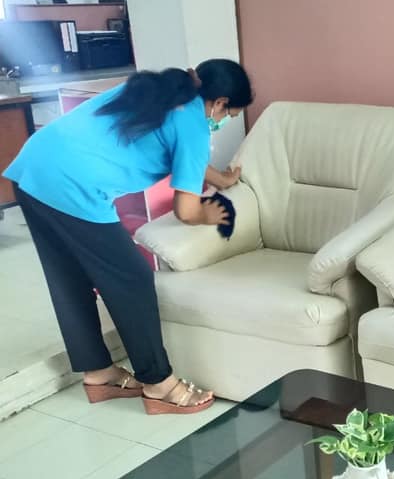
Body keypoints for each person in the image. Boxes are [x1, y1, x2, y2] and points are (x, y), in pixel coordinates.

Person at [2, 59, 253, 414]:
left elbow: (184, 154)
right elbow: (186, 210)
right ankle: (160, 384)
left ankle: (99, 373)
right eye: (230, 114)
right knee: (133, 278)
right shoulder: (195, 125)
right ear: (220, 102)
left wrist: (221, 179)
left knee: (69, 277)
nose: (223, 121)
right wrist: (208, 214)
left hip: (34, 166)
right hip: (73, 186)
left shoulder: (161, 89)